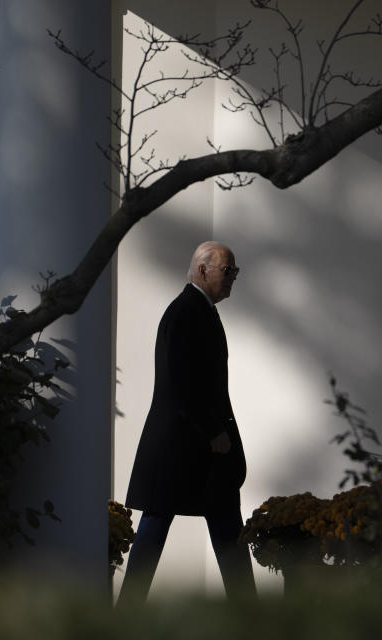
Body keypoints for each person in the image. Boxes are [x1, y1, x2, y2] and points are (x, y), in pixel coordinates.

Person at [119, 241, 255, 602]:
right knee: (158, 527)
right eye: (228, 271)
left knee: (224, 529)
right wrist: (214, 432)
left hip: (197, 449)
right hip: (184, 447)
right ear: (202, 270)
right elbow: (179, 382)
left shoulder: (198, 310)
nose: (233, 279)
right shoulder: (185, 311)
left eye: (235, 272)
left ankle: (253, 619)